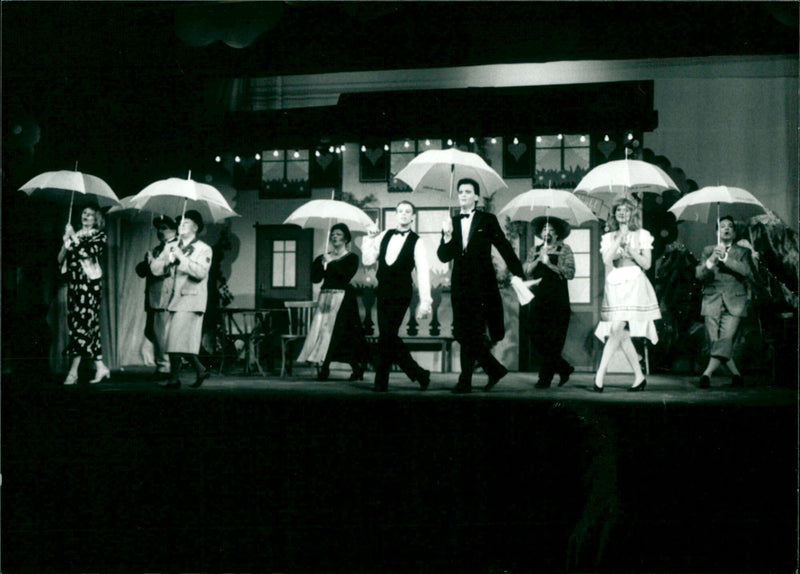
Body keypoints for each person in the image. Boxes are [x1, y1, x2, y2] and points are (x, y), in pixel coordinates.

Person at [437, 178, 526, 393]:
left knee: (473, 332)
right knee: (461, 332)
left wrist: (518, 272)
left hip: (481, 284)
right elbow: (443, 256)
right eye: (460, 192)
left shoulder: (487, 219)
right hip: (460, 284)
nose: (463, 195)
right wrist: (447, 236)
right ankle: (493, 369)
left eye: (468, 192)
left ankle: (465, 381)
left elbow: (503, 246)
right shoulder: (452, 221)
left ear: (476, 196)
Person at [362, 201, 433, 392]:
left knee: (387, 335)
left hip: (402, 293)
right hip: (383, 291)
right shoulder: (384, 235)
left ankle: (381, 382)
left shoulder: (417, 241)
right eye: (400, 211)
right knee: (387, 336)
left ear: (412, 217)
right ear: (396, 214)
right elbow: (367, 260)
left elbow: (423, 272)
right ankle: (419, 374)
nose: (403, 214)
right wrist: (369, 239)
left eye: (407, 211)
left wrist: (425, 301)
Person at [593, 197, 661, 392]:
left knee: (617, 329)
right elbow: (607, 259)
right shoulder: (608, 236)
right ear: (614, 214)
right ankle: (639, 377)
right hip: (615, 283)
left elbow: (647, 264)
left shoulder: (642, 234)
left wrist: (630, 249)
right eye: (618, 210)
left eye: (626, 210)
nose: (622, 213)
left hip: (634, 282)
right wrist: (617, 242)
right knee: (620, 332)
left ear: (632, 213)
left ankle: (600, 375)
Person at [297, 223, 370, 381]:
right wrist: (320, 264)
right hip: (326, 297)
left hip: (344, 299)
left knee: (338, 333)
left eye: (338, 234)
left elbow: (345, 276)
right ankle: (349, 368)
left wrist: (331, 262)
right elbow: (315, 279)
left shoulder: (351, 258)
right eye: (333, 234)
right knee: (324, 331)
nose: (335, 237)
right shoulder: (325, 257)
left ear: (345, 238)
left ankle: (327, 368)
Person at [150, 209, 212, 389]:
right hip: (171, 300)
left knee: (174, 340)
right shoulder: (172, 246)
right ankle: (199, 370)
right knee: (176, 340)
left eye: (185, 223)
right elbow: (155, 270)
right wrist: (166, 261)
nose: (181, 226)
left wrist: (181, 257)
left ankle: (174, 379)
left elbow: (200, 273)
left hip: (191, 300)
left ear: (196, 227)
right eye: (179, 223)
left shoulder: (203, 248)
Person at [695, 215, 755, 388]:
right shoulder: (708, 250)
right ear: (717, 232)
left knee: (726, 339)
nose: (727, 229)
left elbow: (746, 271)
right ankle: (736, 374)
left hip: (734, 301)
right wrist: (712, 260)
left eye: (730, 226)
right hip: (711, 299)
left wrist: (725, 259)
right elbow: (699, 275)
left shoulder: (743, 252)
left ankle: (706, 374)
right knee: (714, 341)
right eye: (722, 226)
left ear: (734, 233)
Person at [57, 206, 110, 385]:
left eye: (90, 215)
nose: (86, 216)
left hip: (89, 284)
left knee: (82, 324)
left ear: (97, 219)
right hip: (74, 283)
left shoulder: (99, 235)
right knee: (88, 325)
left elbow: (86, 253)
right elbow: (60, 260)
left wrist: (73, 237)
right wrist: (66, 242)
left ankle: (73, 372)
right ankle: (101, 366)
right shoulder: (76, 234)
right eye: (84, 214)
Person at [524, 216, 575, 388]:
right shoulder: (535, 249)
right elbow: (527, 271)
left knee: (554, 341)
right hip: (539, 299)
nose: (548, 232)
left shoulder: (564, 249)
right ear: (540, 233)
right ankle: (564, 368)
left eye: (552, 230)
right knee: (536, 336)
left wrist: (550, 264)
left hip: (558, 300)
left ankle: (544, 379)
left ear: (557, 233)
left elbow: (570, 273)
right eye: (545, 229)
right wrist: (539, 259)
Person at [136, 215, 178, 380]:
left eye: (164, 228)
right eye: (159, 228)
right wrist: (148, 262)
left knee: (162, 334)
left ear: (174, 229)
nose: (160, 231)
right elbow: (141, 271)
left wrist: (152, 263)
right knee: (153, 332)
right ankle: (162, 365)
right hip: (153, 296)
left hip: (165, 296)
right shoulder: (156, 249)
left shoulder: (175, 247)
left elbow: (164, 270)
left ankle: (165, 367)